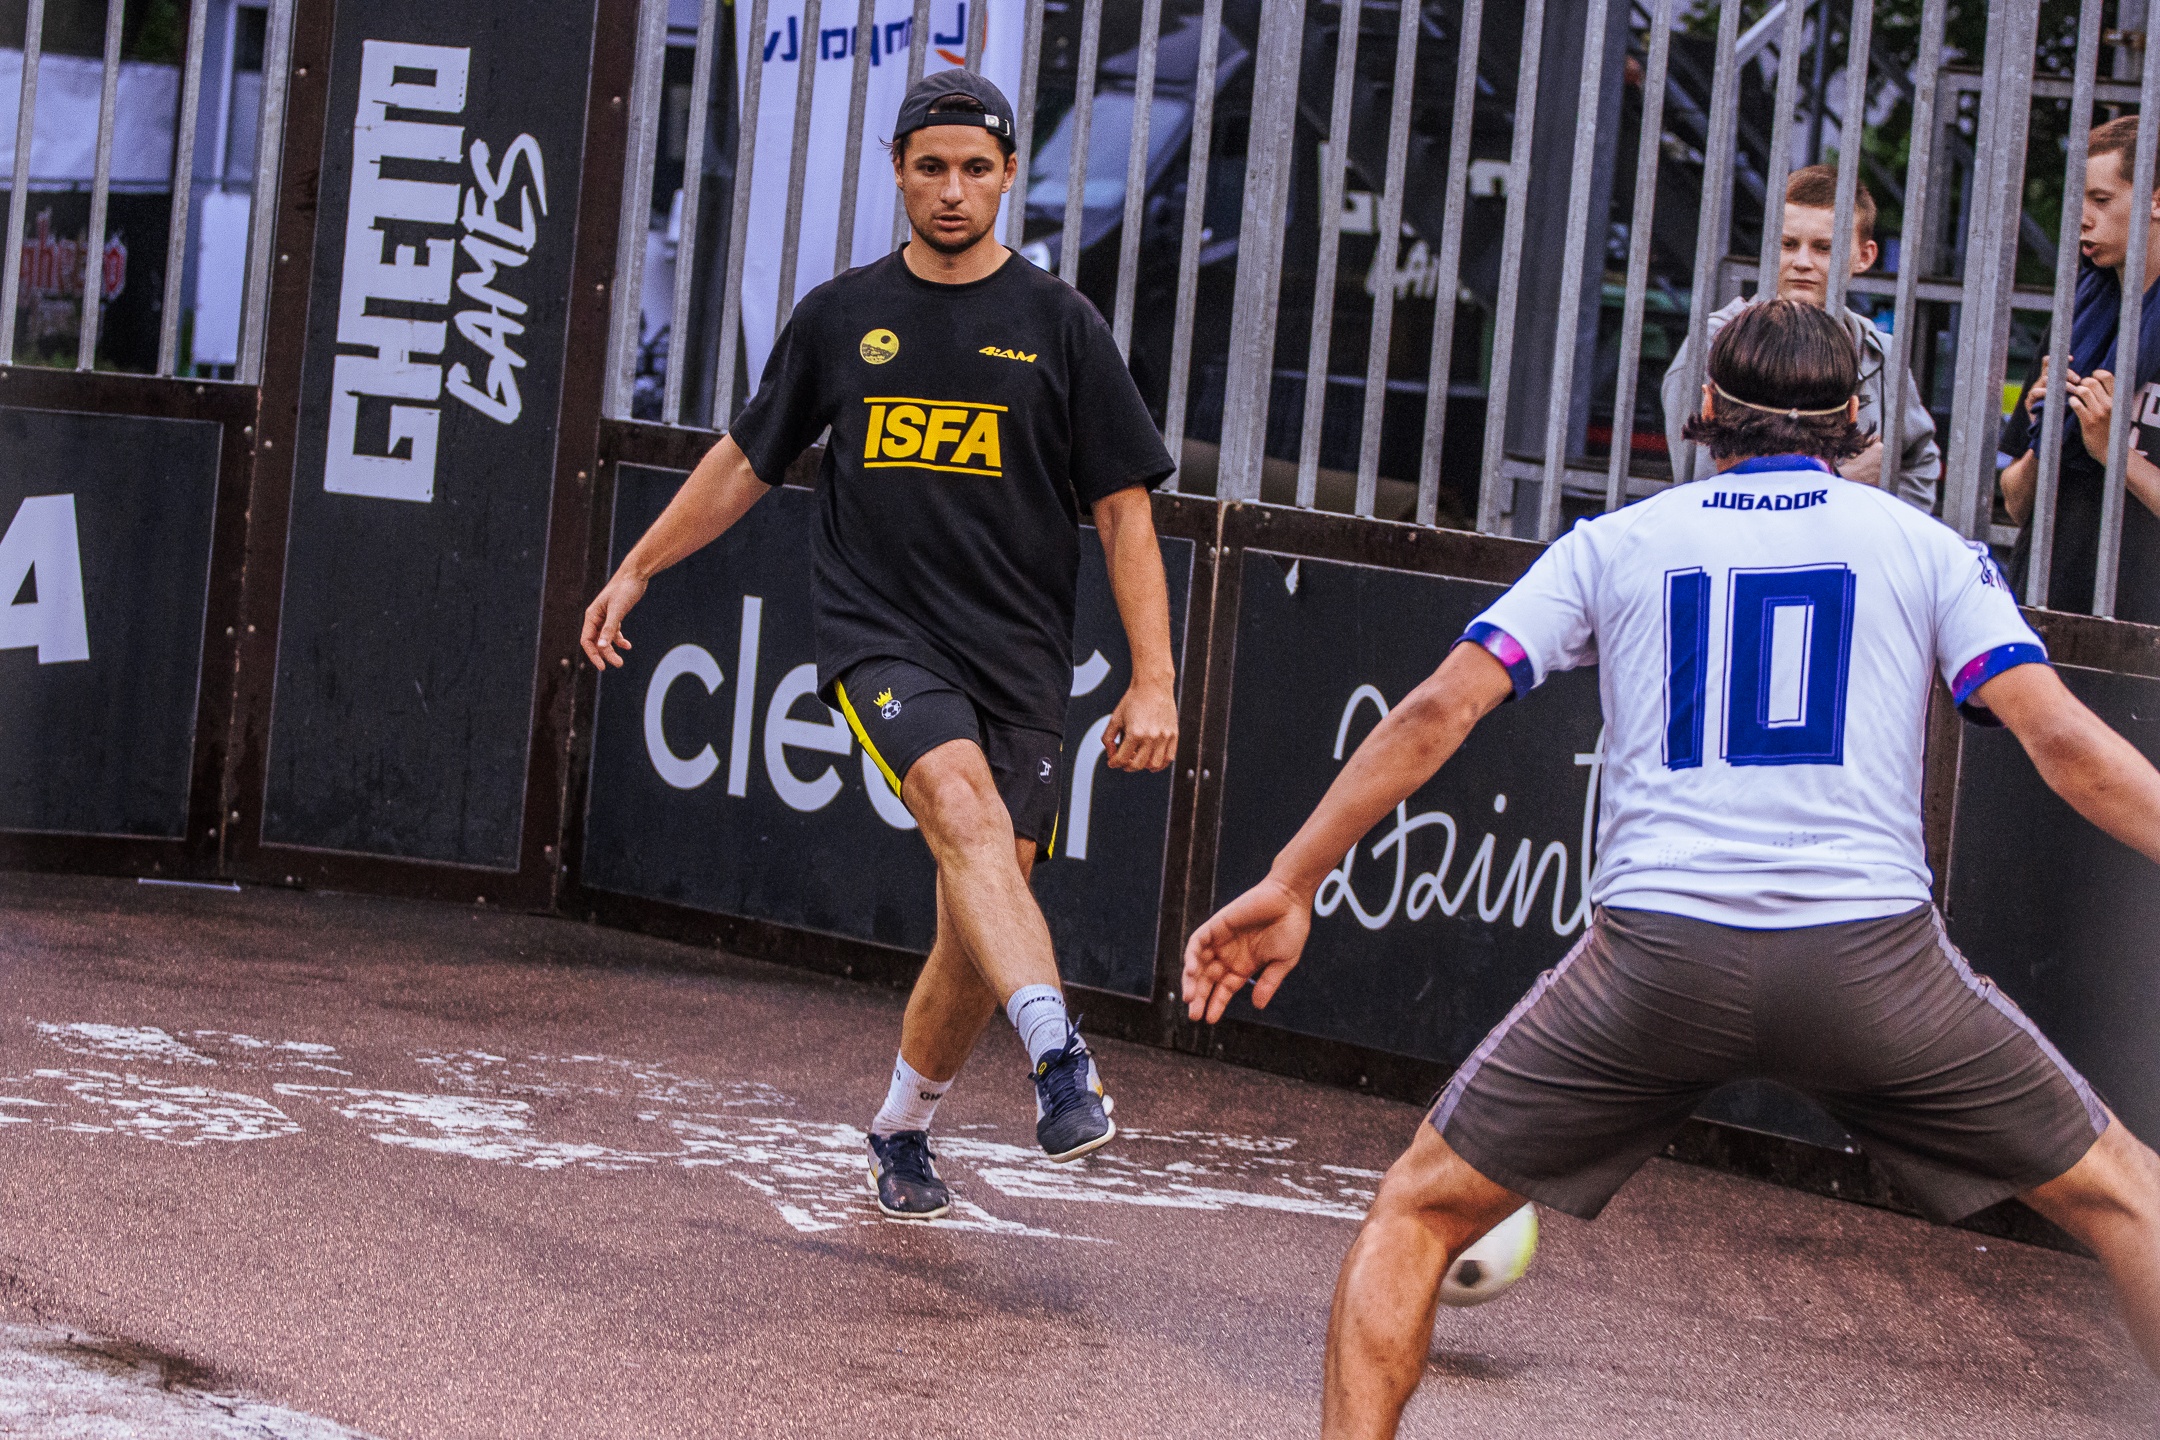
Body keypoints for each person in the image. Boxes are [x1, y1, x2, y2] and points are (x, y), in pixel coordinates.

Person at [1187, 300, 2160, 1438]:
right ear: (1857, 418)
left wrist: (1293, 880)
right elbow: (2065, 746)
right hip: (1875, 969)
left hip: (1655, 967)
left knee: (1415, 1214)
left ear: (1704, 406)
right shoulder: (1931, 549)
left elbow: (1436, 711)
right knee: (2128, 1198)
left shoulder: (1614, 543)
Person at [581, 72, 1179, 1220]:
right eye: (931, 167)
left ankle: (902, 1130)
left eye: (975, 169)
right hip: (882, 638)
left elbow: (1124, 514)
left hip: (1021, 658)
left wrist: (1154, 679)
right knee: (959, 806)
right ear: (898, 171)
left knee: (980, 910)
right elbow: (745, 460)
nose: (952, 190)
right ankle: (1061, 1059)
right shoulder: (841, 315)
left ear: (1009, 176)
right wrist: (640, 565)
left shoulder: (1062, 325)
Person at [1663, 165, 1940, 511]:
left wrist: (1889, 529)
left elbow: (1919, 462)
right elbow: (1701, 485)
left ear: (1865, 256)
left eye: (1824, 248)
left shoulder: (1880, 352)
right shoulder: (1713, 343)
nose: (1802, 262)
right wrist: (1838, 483)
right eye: (1788, 244)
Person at [1999, 114, 2160, 625]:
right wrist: (2045, 435)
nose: (2082, 219)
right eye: (2079, 201)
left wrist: (2114, 452)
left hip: (2143, 632)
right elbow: (2016, 505)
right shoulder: (2079, 314)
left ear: (2157, 201)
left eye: (2102, 199)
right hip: (2044, 605)